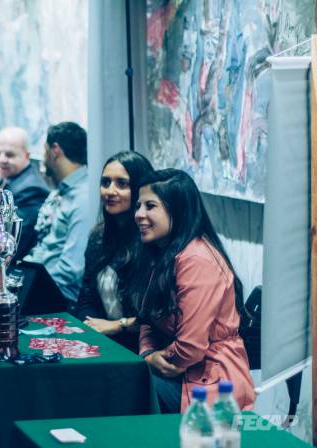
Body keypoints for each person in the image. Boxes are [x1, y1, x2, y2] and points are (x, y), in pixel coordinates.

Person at [134, 169, 255, 413]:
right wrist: (148, 353)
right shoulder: (162, 254)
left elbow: (189, 349)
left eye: (150, 206)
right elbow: (147, 319)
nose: (138, 214)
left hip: (211, 381)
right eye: (138, 206)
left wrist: (153, 359)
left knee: (130, 388)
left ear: (177, 211)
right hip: (182, 372)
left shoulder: (197, 258)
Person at [75, 151, 154, 353]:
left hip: (144, 348)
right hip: (103, 343)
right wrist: (90, 326)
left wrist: (118, 325)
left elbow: (158, 316)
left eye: (122, 184)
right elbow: (86, 297)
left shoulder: (151, 241)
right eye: (105, 182)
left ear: (139, 189)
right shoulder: (99, 236)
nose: (110, 191)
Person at [23, 122, 93, 305]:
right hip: (36, 282)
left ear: (55, 150)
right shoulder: (59, 190)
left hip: (57, 297)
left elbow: (71, 270)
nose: (44, 158)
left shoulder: (84, 198)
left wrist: (28, 289)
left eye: (45, 151)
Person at [0, 126, 49, 259]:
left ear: (26, 156)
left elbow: (12, 243)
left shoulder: (32, 190)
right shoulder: (7, 176)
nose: (1, 159)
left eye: (9, 154)